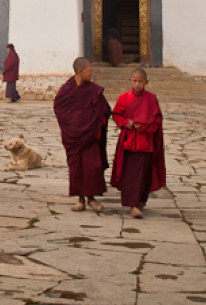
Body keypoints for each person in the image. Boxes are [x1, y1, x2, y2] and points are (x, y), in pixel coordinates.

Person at [54, 56, 111, 212]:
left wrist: (96, 122)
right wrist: (72, 126)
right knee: (77, 167)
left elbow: (105, 109)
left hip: (91, 135)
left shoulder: (94, 90)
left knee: (93, 166)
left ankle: (92, 198)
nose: (91, 74)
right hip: (74, 136)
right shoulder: (66, 90)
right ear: (80, 71)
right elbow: (59, 108)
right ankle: (80, 199)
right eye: (89, 70)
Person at [111, 66, 166, 218]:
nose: (137, 85)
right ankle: (132, 205)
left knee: (143, 176)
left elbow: (157, 120)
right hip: (128, 143)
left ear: (146, 82)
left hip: (146, 143)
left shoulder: (151, 99)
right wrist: (125, 122)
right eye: (135, 81)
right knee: (130, 175)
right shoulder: (124, 98)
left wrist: (144, 127)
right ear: (130, 81)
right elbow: (116, 114)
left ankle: (140, 201)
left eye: (141, 82)